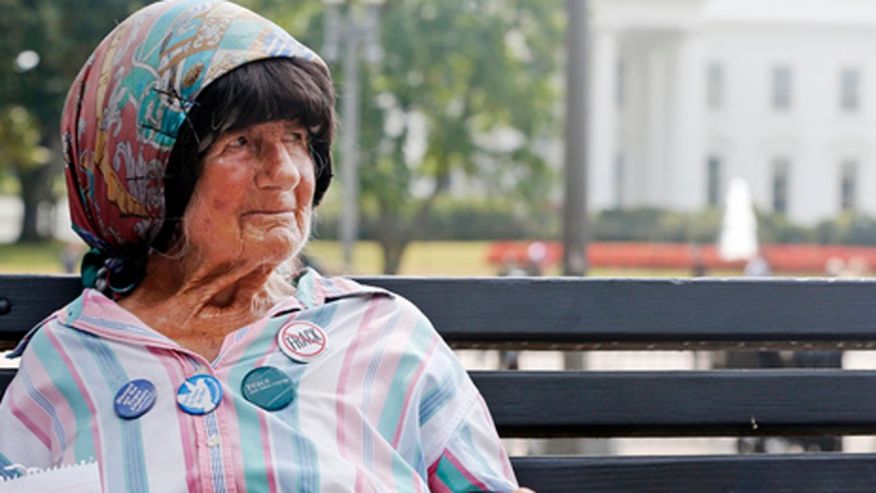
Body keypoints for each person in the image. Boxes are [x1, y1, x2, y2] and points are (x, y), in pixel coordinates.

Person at [0, 1, 526, 491]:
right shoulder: (66, 358)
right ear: (147, 173)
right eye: (241, 143)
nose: (284, 172)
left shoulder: (385, 333)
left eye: (298, 138)